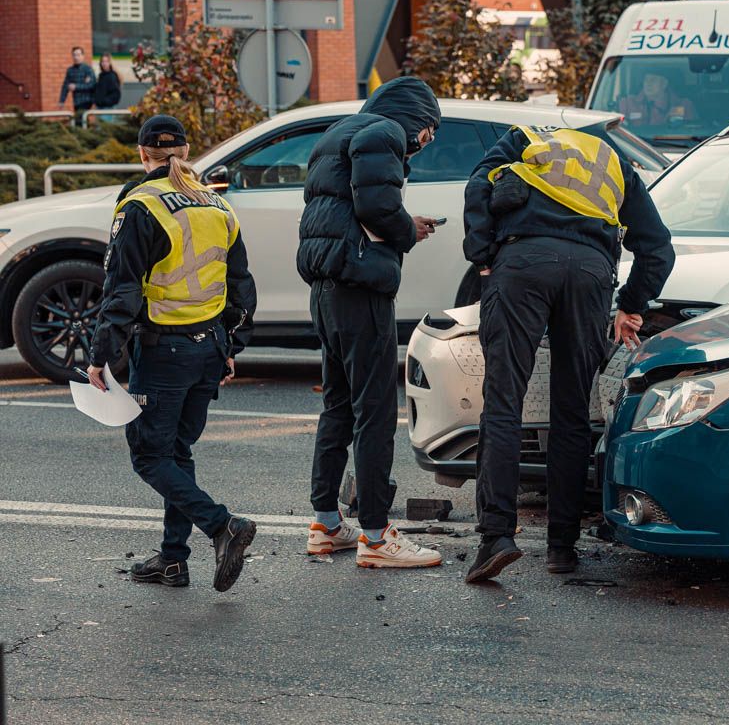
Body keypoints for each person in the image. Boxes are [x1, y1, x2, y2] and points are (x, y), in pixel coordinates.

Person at [462, 125, 675, 583]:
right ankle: (562, 548)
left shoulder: (524, 139)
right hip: (590, 272)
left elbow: (478, 183)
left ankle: (496, 538)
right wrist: (632, 306)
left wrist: (481, 254)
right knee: (572, 411)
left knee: (503, 406)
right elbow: (658, 247)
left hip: (523, 264)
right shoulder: (615, 163)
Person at [87, 114, 258, 592]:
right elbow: (241, 287)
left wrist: (101, 356)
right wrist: (230, 346)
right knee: (177, 451)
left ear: (144, 155)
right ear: (186, 151)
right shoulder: (217, 204)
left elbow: (121, 289)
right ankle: (172, 559)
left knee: (148, 456)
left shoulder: (140, 203)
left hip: (164, 352)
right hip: (208, 348)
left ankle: (222, 524)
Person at [297, 76, 444, 569]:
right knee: (376, 411)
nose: (424, 143)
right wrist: (408, 230)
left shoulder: (338, 133)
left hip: (325, 288)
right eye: (428, 131)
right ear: (415, 117)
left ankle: (326, 523)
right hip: (360, 290)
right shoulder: (384, 133)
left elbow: (344, 205)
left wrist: (398, 224)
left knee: (338, 407)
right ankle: (378, 537)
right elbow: (377, 205)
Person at [619, 71, 696, 128]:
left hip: (674, 146)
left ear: (664, 84)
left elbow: (693, 129)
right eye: (646, 80)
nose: (648, 83)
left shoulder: (683, 104)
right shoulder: (627, 103)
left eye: (653, 80)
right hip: (632, 146)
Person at [58, 46, 96, 126]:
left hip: (86, 101)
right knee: (80, 121)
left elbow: (91, 85)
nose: (76, 57)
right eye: (74, 55)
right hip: (76, 101)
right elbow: (65, 86)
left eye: (78, 55)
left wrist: (76, 87)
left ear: (83, 56)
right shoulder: (70, 70)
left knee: (81, 119)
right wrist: (62, 101)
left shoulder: (88, 69)